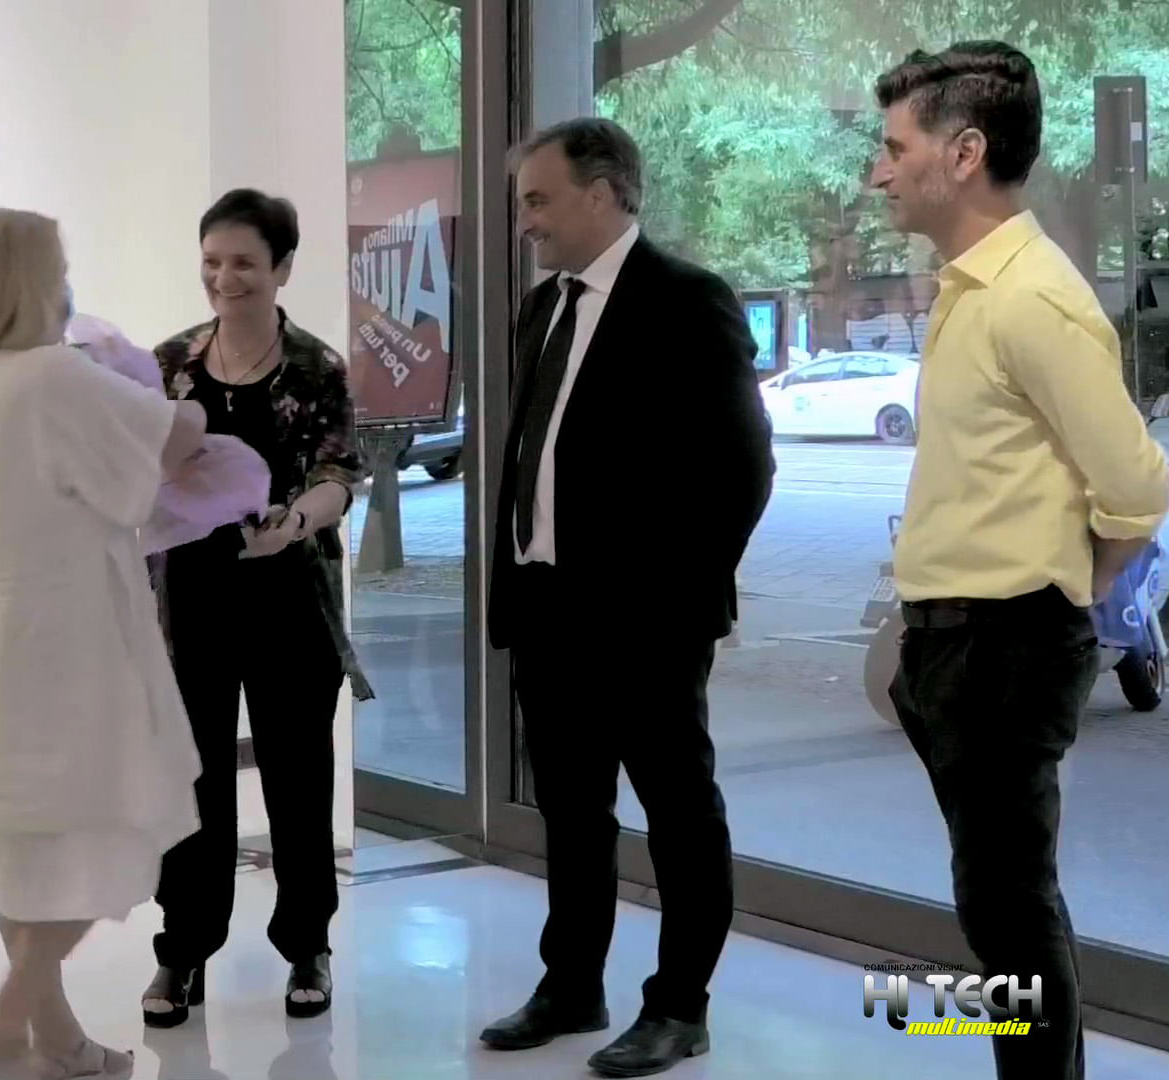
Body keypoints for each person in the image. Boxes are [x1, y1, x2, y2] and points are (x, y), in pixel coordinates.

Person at [871, 43, 1169, 1080]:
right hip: (955, 646)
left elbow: (1136, 485)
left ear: (964, 154)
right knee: (999, 907)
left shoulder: (1029, 298)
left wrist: (1081, 582)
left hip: (1004, 647)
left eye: (894, 147)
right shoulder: (970, 288)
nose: (877, 172)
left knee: (1010, 909)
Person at [481, 118, 774, 1078]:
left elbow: (743, 469)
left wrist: (679, 599)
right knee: (572, 813)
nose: (525, 220)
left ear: (602, 194)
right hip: (546, 609)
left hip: (649, 624)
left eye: (538, 199)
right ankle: (572, 985)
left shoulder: (687, 301)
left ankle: (680, 1007)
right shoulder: (542, 307)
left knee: (679, 816)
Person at [0, 208, 209, 1080]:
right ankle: (3, 1023)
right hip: (62, 658)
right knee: (129, 821)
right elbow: (170, 444)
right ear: (33, 281)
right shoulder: (49, 379)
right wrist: (175, 398)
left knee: (16, 857)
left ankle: (60, 1042)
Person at [141, 188, 370, 1028]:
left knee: (298, 781)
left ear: (282, 268)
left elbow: (339, 474)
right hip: (189, 605)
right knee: (189, 781)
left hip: (290, 599)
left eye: (243, 262)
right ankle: (183, 949)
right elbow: (137, 466)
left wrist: (297, 521)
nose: (224, 277)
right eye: (212, 261)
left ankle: (307, 943)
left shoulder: (316, 366)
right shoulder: (169, 363)